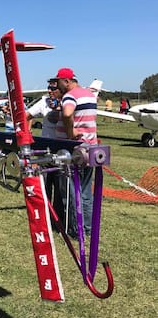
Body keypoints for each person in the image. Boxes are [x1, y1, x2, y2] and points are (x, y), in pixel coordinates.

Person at [52, 67, 98, 238]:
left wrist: (70, 133)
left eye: (59, 83)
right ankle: (87, 228)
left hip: (73, 150)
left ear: (67, 81)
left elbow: (67, 113)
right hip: (90, 146)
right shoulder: (89, 94)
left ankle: (74, 229)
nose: (58, 87)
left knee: (70, 191)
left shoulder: (70, 96)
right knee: (86, 191)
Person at [26, 80, 64, 220]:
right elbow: (26, 115)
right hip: (45, 150)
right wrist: (25, 132)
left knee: (61, 188)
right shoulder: (44, 102)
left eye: (53, 88)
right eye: (49, 88)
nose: (49, 91)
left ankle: (58, 219)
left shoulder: (68, 102)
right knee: (44, 185)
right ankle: (44, 217)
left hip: (62, 151)